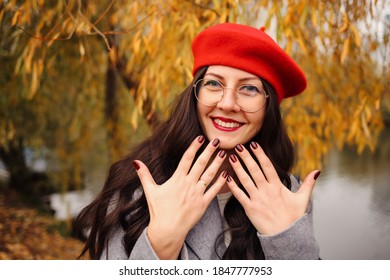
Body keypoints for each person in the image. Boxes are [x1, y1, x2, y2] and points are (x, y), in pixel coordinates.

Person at [75, 23, 321, 260]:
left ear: (269, 109)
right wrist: (160, 242)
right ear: (196, 93)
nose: (227, 104)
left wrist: (288, 242)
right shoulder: (138, 187)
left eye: (249, 89)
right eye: (214, 83)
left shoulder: (286, 195)